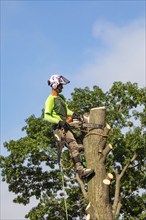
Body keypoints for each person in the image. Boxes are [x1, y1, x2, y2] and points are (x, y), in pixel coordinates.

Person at [44, 74, 94, 179]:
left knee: (80, 143)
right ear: (54, 85)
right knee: (73, 146)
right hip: (59, 128)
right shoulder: (50, 100)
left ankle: (85, 164)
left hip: (66, 125)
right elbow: (46, 116)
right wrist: (58, 121)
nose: (62, 87)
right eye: (60, 85)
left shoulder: (61, 97)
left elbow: (66, 110)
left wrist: (73, 114)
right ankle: (80, 171)